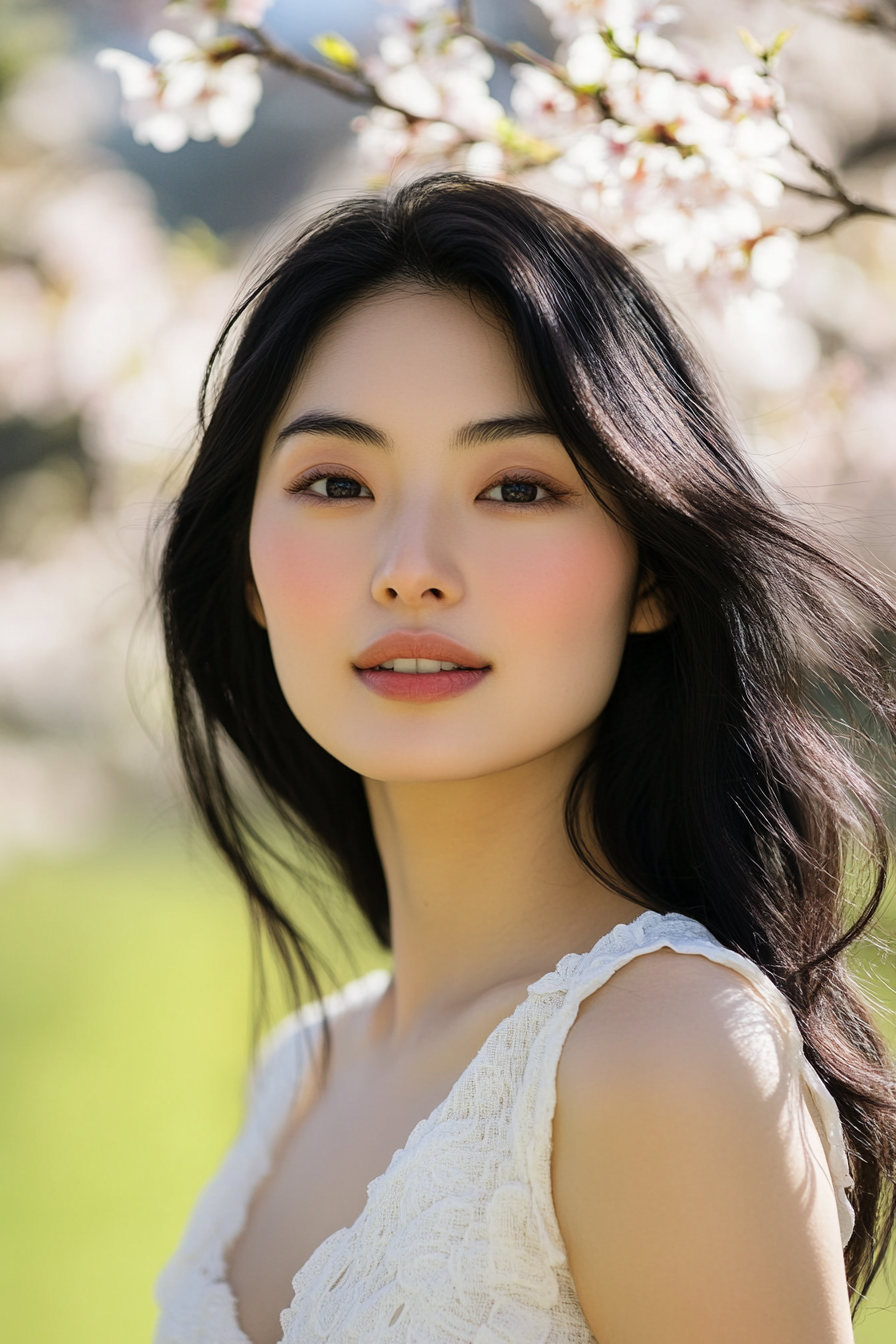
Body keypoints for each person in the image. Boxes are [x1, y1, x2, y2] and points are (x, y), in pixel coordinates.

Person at [154, 174, 896, 1344]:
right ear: (246, 564)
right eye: (335, 484)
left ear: (648, 569)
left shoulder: (667, 1054)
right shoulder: (305, 1065)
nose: (410, 567)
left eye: (516, 487)